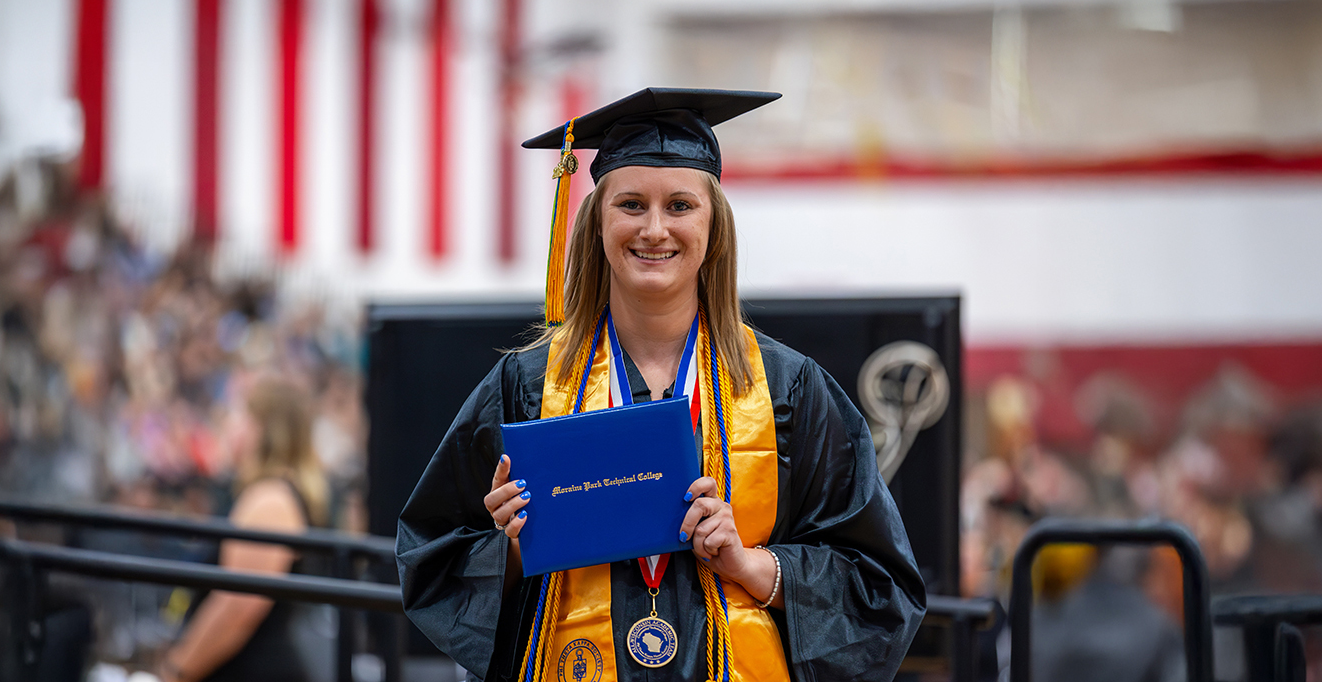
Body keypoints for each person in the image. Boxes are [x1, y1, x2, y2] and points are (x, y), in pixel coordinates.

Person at [396, 88, 926, 682]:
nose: (654, 229)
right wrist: (515, 547)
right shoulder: (528, 384)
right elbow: (430, 560)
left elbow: (881, 585)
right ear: (597, 222)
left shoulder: (787, 388)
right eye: (631, 204)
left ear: (713, 226)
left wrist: (752, 566)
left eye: (679, 205)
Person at [160, 376, 331, 682]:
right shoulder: (264, 492)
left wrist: (176, 670)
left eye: (238, 414)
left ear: (263, 428)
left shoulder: (270, 499)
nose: (227, 424)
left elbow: (238, 608)